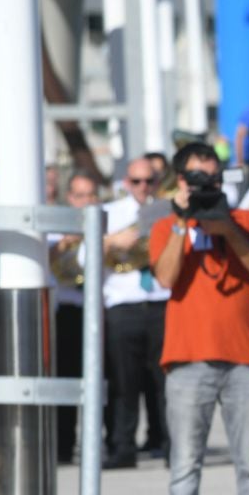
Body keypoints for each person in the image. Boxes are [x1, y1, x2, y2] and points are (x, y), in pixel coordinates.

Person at [149, 142, 249, 495]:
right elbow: (165, 277)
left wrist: (227, 230)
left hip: (244, 357)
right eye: (198, 179)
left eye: (214, 178)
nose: (207, 186)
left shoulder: (247, 221)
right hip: (187, 360)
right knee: (185, 464)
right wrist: (184, 223)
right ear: (180, 182)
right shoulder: (168, 223)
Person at [102, 157, 171, 468]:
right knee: (123, 382)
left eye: (150, 181)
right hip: (123, 304)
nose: (143, 188)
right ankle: (122, 448)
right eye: (137, 181)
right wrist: (113, 241)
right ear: (127, 183)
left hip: (161, 302)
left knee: (165, 382)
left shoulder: (168, 212)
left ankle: (171, 446)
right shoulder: (112, 213)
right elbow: (86, 255)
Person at [49, 171, 100, 464]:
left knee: (106, 379)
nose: (86, 201)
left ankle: (105, 443)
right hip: (68, 309)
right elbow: (45, 260)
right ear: (70, 198)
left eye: (91, 195)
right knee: (67, 376)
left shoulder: (106, 222)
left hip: (99, 308)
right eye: (80, 196)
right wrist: (65, 244)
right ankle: (65, 445)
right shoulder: (57, 224)